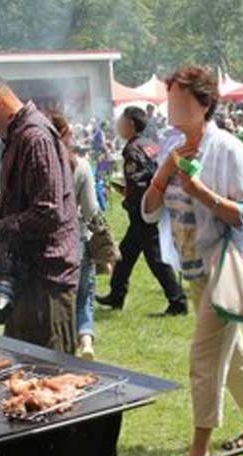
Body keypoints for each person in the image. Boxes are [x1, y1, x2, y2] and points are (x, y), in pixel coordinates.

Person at [140, 66, 243, 456]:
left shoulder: (228, 148)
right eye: (170, 100)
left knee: (203, 357)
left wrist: (202, 193)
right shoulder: (174, 148)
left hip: (225, 266)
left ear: (204, 104)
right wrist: (164, 174)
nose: (173, 107)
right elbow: (148, 213)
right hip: (194, 268)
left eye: (181, 100)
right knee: (229, 352)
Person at [0, 68, 79, 353]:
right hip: (27, 277)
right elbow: (17, 199)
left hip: (46, 282)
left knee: (49, 378)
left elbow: (47, 213)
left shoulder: (35, 138)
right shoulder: (18, 137)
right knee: (23, 370)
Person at [98, 106, 187, 314]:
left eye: (121, 121)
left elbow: (138, 183)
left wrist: (129, 200)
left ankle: (178, 301)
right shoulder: (151, 145)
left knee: (155, 258)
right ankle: (116, 295)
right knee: (126, 254)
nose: (118, 126)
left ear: (130, 124)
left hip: (143, 212)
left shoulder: (132, 148)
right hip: (153, 206)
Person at [52, 113, 101, 359]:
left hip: (48, 244)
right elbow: (92, 210)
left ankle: (62, 344)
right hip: (78, 239)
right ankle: (85, 340)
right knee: (84, 297)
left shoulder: (40, 165)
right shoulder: (81, 166)